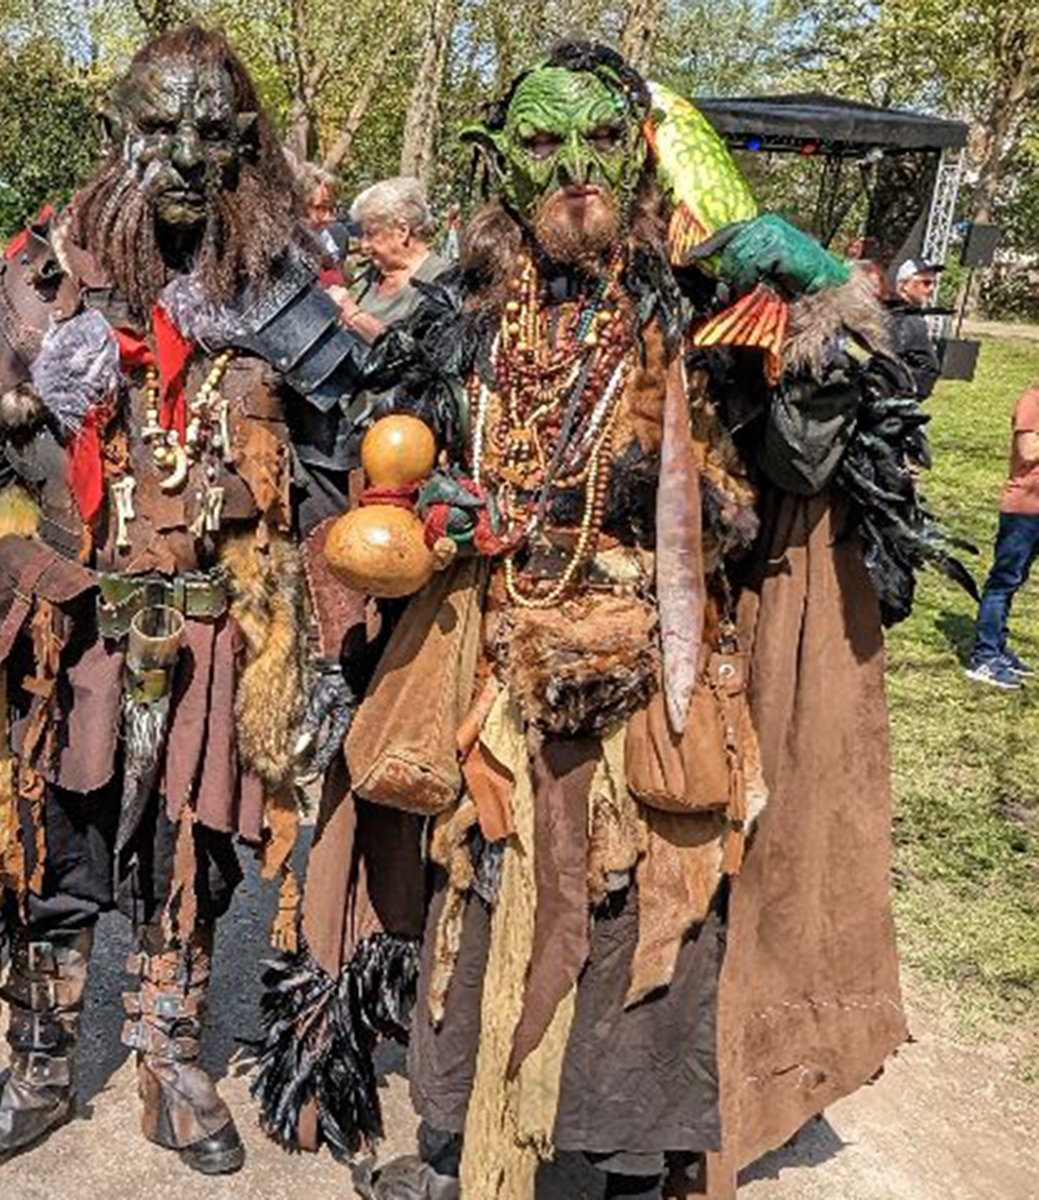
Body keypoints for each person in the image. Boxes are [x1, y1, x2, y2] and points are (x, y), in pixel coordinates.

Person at [258, 43, 934, 1200]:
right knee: (478, 906)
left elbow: (804, 464)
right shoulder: (468, 318)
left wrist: (824, 300)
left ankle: (615, 1174)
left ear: (643, 154)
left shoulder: (711, 315)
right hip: (496, 681)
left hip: (656, 689)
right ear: (500, 164)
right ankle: (464, 1147)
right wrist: (441, 508)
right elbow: (412, 468)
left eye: (602, 137)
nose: (576, 164)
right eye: (543, 140)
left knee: (643, 926)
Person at [0, 23, 365, 1180]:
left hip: (217, 638)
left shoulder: (283, 297)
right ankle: (39, 1065)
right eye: (158, 128)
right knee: (48, 846)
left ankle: (170, 1059)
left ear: (244, 143)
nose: (183, 158)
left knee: (191, 855)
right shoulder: (37, 291)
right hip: (68, 638)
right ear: (117, 132)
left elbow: (333, 494)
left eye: (210, 133)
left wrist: (327, 656)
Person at [965, 385, 1039, 688]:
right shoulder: (1033, 401)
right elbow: (1028, 451)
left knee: (1016, 581)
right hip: (1024, 510)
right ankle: (983, 658)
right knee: (1004, 582)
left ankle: (998, 646)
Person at [330, 177, 445, 342]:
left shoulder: (442, 283)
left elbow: (421, 353)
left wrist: (354, 314)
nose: (364, 245)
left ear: (402, 231)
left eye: (370, 234)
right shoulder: (372, 274)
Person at [887, 256, 942, 399]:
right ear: (905, 285)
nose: (931, 289)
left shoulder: (911, 316)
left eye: (934, 283)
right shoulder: (903, 319)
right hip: (896, 401)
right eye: (926, 283)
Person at [296, 158, 350, 285]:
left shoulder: (336, 237)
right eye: (319, 208)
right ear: (297, 205)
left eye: (331, 208)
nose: (328, 218)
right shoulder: (278, 250)